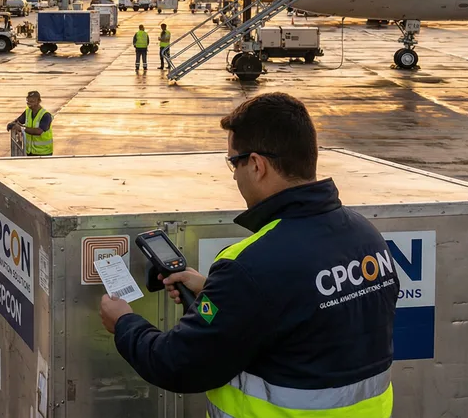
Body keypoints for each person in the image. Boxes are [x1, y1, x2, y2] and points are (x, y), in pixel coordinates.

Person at [98, 93, 397, 417]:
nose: (233, 175)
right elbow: (300, 320)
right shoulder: (365, 235)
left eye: (233, 162)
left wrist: (124, 323)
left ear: (256, 164)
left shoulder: (250, 266)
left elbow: (178, 363)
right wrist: (213, 293)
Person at [6, 90, 53, 156]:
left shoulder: (46, 115)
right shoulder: (28, 112)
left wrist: (21, 129)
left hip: (43, 153)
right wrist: (12, 124)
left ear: (39, 101)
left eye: (32, 102)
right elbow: (19, 120)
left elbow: (39, 131)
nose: (30, 104)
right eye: (28, 102)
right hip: (29, 152)